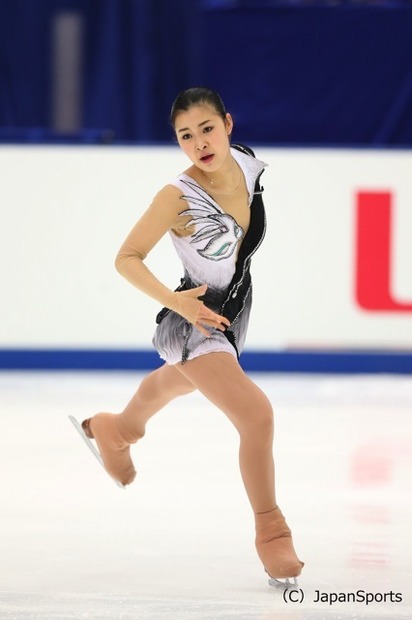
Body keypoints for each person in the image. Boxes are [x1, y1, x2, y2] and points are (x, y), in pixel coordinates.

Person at [81, 87, 304, 584]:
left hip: (234, 311)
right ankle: (272, 534)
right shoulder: (177, 195)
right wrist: (176, 301)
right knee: (257, 415)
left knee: (178, 381)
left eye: (206, 128)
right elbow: (126, 257)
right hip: (193, 319)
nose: (199, 142)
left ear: (228, 124)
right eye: (186, 135)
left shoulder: (246, 164)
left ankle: (117, 429)